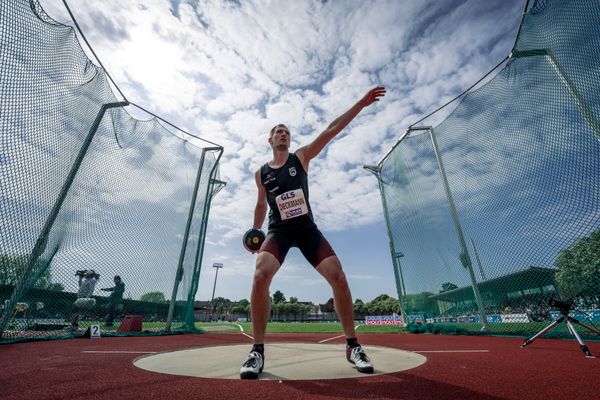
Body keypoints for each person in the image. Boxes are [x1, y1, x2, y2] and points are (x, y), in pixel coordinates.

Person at [240, 86, 386, 379]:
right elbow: (260, 203)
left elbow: (331, 130)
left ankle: (353, 346)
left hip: (307, 229)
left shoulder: (301, 157)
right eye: (279, 131)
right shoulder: (262, 173)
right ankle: (257, 351)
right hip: (278, 231)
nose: (284, 134)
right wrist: (255, 232)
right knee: (259, 274)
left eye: (287, 132)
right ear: (270, 139)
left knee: (338, 277)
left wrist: (361, 101)